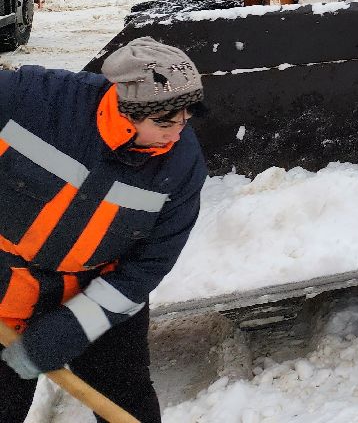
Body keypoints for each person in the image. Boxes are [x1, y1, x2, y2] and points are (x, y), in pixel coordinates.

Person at [0, 38, 207, 423]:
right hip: (6, 285)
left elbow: (148, 265)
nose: (177, 134)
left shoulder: (181, 167)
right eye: (164, 122)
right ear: (127, 109)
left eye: (186, 119)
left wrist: (74, 327)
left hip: (97, 290)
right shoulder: (33, 101)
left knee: (127, 403)